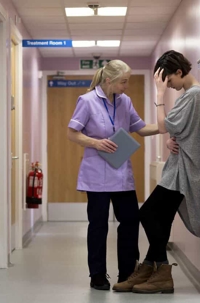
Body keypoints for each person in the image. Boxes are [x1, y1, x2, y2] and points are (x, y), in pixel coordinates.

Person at [113, 50, 200, 294]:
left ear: (179, 71)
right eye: (165, 83)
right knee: (161, 218)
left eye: (170, 80)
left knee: (147, 213)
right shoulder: (191, 95)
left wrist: (159, 94)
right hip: (178, 167)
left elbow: (165, 126)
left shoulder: (195, 95)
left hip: (183, 170)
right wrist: (171, 140)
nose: (170, 86)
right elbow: (178, 131)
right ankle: (151, 269)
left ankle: (158, 268)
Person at [67, 60, 159, 291]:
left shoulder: (124, 101)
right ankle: (97, 274)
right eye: (124, 81)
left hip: (121, 174)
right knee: (98, 225)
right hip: (96, 175)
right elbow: (72, 133)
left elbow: (140, 128)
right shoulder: (87, 101)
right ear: (109, 80)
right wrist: (95, 143)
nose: (127, 86)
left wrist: (166, 126)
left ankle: (127, 273)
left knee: (130, 222)